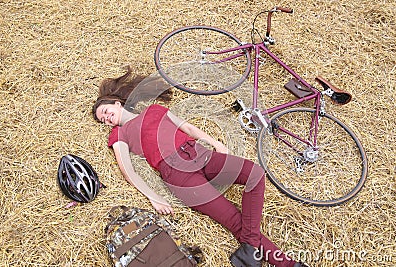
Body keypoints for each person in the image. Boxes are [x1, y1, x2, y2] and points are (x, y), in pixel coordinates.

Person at [92, 67, 308, 267]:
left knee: (255, 173)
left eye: (106, 112)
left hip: (201, 154)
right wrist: (153, 196)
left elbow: (187, 127)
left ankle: (250, 248)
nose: (106, 119)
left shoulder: (154, 109)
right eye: (103, 120)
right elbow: (127, 169)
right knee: (235, 221)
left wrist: (215, 143)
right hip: (179, 176)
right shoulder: (118, 134)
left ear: (117, 103)